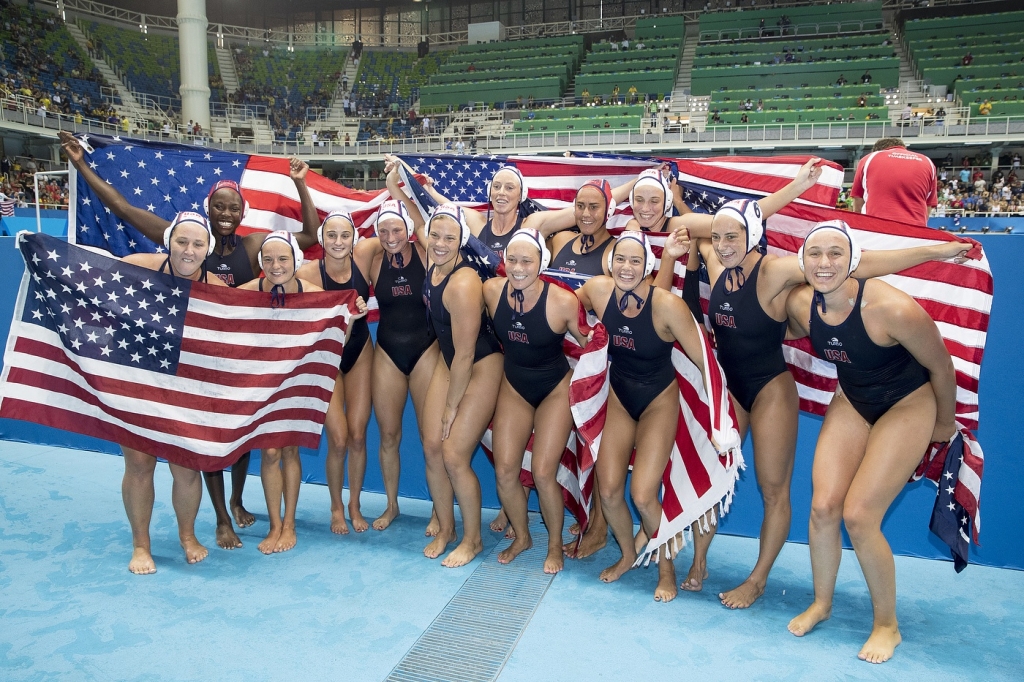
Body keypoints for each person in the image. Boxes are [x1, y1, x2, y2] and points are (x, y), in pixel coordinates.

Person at [657, 160, 969, 606]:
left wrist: (934, 252)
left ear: (754, 237)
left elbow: (855, 266)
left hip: (769, 389)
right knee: (712, 473)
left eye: (734, 237)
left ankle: (759, 578)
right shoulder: (712, 257)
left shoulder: (777, 272)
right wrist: (683, 203)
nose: (724, 245)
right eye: (720, 236)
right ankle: (701, 561)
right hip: (733, 387)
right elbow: (692, 225)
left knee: (772, 489)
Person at [59, 131, 320, 549]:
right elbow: (123, 209)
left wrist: (301, 184)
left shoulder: (252, 248)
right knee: (183, 452)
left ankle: (233, 503)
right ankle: (217, 519)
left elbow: (306, 241)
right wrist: (81, 165)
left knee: (234, 440)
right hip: (170, 357)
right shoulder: (175, 241)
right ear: (200, 216)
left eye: (233, 208)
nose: (224, 213)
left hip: (224, 353)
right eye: (218, 206)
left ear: (242, 211)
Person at [785, 221, 957, 664]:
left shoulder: (892, 308)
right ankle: (823, 603)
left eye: (836, 254)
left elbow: (941, 369)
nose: (825, 263)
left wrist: (942, 426)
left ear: (854, 260)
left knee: (859, 516)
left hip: (908, 403)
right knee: (824, 507)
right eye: (815, 254)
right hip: (853, 399)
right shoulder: (803, 304)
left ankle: (887, 625)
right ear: (802, 262)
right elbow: (762, 325)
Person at [573, 231, 712, 601]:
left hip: (658, 401)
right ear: (610, 262)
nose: (627, 267)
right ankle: (629, 554)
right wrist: (583, 333)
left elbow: (704, 361)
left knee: (645, 494)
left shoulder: (667, 305)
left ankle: (665, 569)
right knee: (609, 490)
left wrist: (720, 420)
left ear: (648, 266)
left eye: (636, 261)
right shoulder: (599, 291)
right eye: (621, 259)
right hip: (620, 396)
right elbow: (566, 307)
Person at [119, 212, 227, 573]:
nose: (188, 250)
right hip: (141, 381)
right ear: (169, 242)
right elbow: (89, 279)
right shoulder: (137, 267)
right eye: (182, 242)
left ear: (208, 249)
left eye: (198, 244)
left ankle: (187, 535)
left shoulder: (220, 291)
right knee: (139, 465)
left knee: (186, 468)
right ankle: (141, 544)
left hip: (187, 388)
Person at [238, 232, 359, 554]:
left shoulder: (315, 296)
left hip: (301, 377)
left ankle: (289, 524)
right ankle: (275, 525)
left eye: (282, 259)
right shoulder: (247, 293)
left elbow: (338, 344)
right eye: (268, 260)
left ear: (295, 261)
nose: (275, 266)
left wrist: (350, 320)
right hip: (265, 381)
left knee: (289, 451)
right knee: (270, 452)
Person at [483, 229, 590, 573]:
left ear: (541, 262)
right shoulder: (491, 291)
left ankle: (555, 545)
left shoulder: (562, 301)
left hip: (554, 389)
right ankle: (523, 536)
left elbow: (591, 346)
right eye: (511, 259)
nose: (517, 267)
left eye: (526, 260)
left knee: (544, 474)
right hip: (515, 387)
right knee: (505, 471)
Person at [420, 204, 505, 567]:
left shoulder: (464, 282)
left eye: (449, 238)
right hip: (448, 358)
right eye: (435, 236)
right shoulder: (432, 263)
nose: (440, 243)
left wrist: (451, 408)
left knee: (453, 454)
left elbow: (468, 354)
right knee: (431, 447)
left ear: (462, 241)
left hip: (480, 364)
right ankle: (447, 529)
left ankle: (473, 540)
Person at [354, 194, 439, 532]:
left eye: (397, 230)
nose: (391, 238)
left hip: (426, 350)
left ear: (409, 230)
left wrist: (399, 189)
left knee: (429, 436)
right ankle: (391, 506)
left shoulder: (425, 251)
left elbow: (423, 225)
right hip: (387, 352)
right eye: (384, 231)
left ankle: (438, 509)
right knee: (388, 434)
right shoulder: (373, 260)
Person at [294, 209, 375, 535]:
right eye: (331, 235)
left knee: (357, 435)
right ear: (322, 240)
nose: (338, 242)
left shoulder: (366, 256)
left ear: (354, 238)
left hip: (360, 353)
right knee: (338, 440)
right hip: (327, 358)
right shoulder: (309, 272)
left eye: (345, 235)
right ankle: (336, 507)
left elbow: (402, 236)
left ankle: (354, 503)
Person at [852, 138, 937, 226]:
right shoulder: (927, 162)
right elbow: (928, 206)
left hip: (877, 226)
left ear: (878, 150)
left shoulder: (870, 158)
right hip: (915, 229)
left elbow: (858, 201)